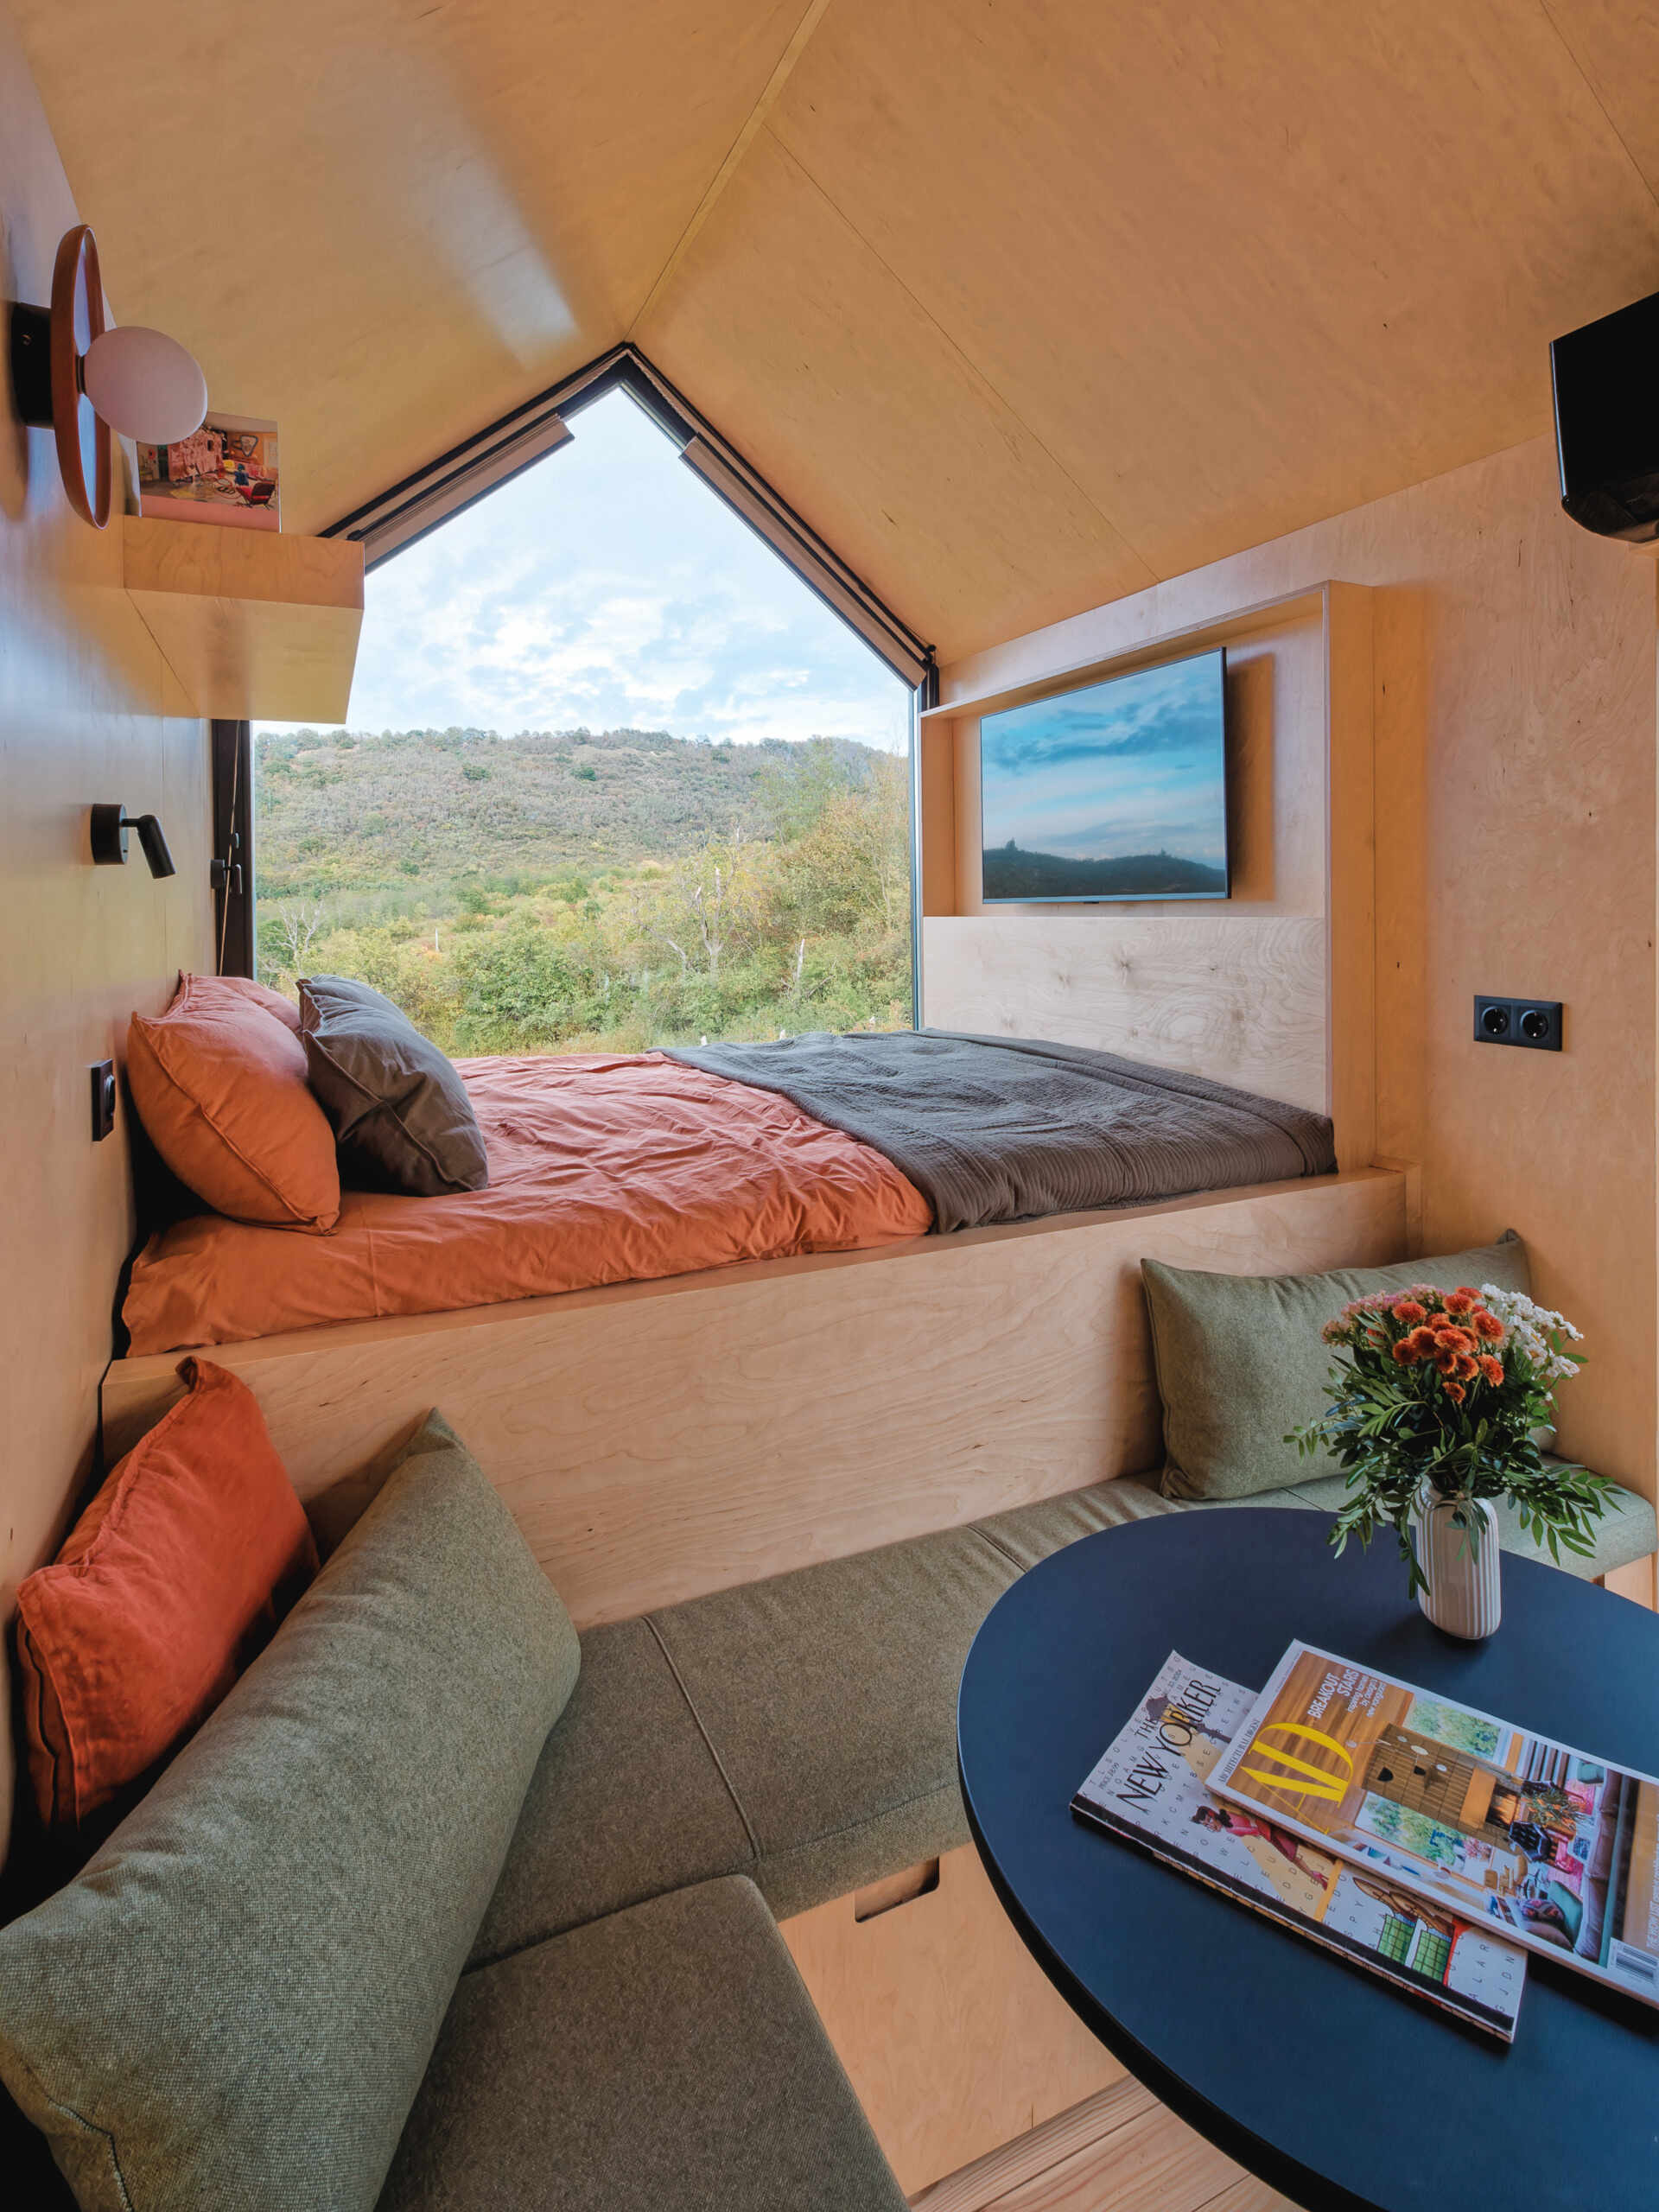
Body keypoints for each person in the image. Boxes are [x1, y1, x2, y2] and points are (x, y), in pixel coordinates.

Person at [1192, 1803, 1331, 1887]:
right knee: (1295, 1854)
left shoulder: (1230, 1827)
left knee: (1294, 1856)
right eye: (1206, 1825)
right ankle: (1318, 1877)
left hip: (1267, 1830)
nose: (1210, 1826)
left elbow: (1254, 1829)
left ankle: (1318, 1877)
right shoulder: (1226, 1814)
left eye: (1209, 1820)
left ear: (1212, 1814)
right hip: (1266, 1828)